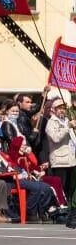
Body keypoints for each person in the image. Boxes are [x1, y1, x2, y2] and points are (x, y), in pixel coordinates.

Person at [41, 97, 76, 227]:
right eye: (59, 108)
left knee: (71, 188)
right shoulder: (52, 122)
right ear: (54, 110)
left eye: (63, 107)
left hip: (71, 159)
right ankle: (63, 211)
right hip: (60, 160)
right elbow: (56, 138)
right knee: (62, 187)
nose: (62, 110)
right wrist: (68, 127)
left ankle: (71, 211)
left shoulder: (66, 120)